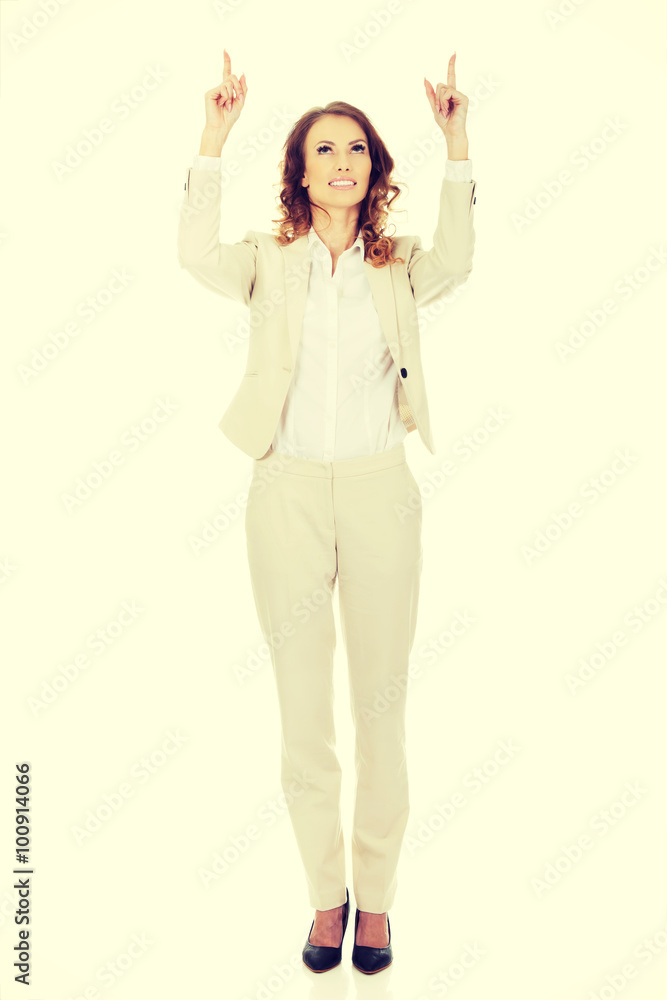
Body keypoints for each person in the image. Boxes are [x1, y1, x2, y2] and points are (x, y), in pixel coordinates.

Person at [177, 49, 476, 974]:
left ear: (373, 169)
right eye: (323, 150)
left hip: (381, 491)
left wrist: (456, 143)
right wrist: (213, 136)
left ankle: (375, 901)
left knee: (380, 706)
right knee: (302, 710)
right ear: (300, 173)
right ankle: (324, 895)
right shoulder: (268, 260)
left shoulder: (400, 264)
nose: (340, 161)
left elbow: (460, 258)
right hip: (286, 493)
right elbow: (194, 255)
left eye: (355, 149)